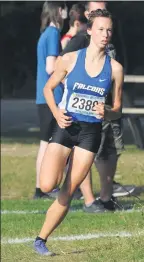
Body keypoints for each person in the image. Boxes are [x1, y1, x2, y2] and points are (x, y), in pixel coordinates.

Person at [33, 9, 124, 256]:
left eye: (109, 30)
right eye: (101, 29)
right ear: (90, 31)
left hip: (89, 134)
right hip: (66, 126)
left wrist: (106, 111)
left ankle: (41, 240)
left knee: (68, 191)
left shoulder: (115, 68)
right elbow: (48, 89)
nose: (105, 34)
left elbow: (117, 109)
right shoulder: (70, 59)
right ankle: (59, 167)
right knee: (46, 183)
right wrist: (56, 113)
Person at [61, 1, 135, 213]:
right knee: (83, 154)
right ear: (87, 15)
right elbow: (61, 66)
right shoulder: (79, 41)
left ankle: (105, 197)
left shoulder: (109, 37)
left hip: (109, 108)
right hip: (83, 114)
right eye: (96, 9)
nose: (105, 32)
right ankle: (89, 200)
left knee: (110, 152)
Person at [33, 1, 68, 199]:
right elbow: (50, 67)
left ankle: (41, 188)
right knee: (49, 144)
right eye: (63, 8)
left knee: (45, 142)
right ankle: (44, 188)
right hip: (51, 97)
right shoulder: (53, 33)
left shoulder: (45, 33)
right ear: (57, 10)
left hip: (42, 97)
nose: (66, 12)